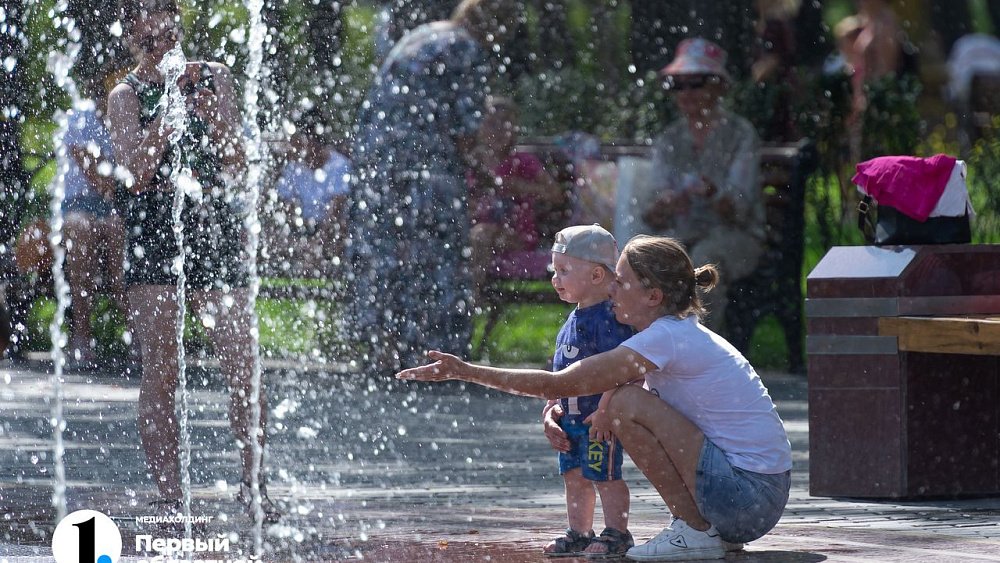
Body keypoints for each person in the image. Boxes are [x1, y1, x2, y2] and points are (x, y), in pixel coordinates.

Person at [398, 235, 793, 561]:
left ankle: (694, 530)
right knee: (622, 397)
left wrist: (466, 371)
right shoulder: (675, 333)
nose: (611, 289)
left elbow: (561, 383)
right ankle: (702, 530)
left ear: (652, 296)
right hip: (752, 499)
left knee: (623, 406)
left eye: (620, 282)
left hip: (746, 499)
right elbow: (566, 392)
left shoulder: (665, 338)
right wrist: (555, 408)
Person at [106, 0, 278, 522]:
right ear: (133, 27)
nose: (159, 24)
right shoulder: (125, 95)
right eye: (147, 15)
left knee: (243, 365)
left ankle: (254, 486)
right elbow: (135, 171)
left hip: (213, 227)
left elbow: (235, 157)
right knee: (161, 368)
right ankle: (169, 494)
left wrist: (212, 118)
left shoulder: (214, 76)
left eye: (166, 12)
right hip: (153, 232)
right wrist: (170, 114)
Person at [347, 0, 517, 373]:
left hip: (378, 161)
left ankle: (384, 349)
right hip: (425, 165)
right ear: (495, 26)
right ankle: (437, 357)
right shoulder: (465, 48)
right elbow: (465, 127)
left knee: (387, 252)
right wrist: (481, 170)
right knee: (437, 252)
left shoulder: (424, 35)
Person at [635, 38, 763, 334]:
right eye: (679, 85)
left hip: (735, 236)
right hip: (681, 233)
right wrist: (665, 205)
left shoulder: (740, 134)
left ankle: (701, 355)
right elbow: (650, 214)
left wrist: (714, 195)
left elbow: (738, 211)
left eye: (697, 83)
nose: (687, 92)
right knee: (645, 261)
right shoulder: (670, 139)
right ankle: (650, 352)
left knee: (703, 263)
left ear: (719, 86)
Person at [539, 224, 634, 558]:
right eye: (555, 270)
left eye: (564, 270)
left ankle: (617, 534)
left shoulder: (608, 319)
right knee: (575, 476)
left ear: (596, 275)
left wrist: (606, 410)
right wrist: (551, 410)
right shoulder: (573, 317)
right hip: (572, 419)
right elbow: (559, 374)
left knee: (605, 476)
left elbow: (619, 372)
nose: (555, 278)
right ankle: (579, 532)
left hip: (598, 420)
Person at [60, 75, 127, 367]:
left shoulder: (127, 114)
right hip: (75, 207)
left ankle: (137, 334)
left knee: (117, 228)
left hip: (109, 208)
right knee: (81, 228)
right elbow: (97, 177)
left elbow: (117, 182)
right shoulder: (80, 117)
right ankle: (82, 335)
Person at [468, 96, 565, 295]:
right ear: (479, 127)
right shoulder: (472, 163)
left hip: (515, 234)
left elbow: (556, 195)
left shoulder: (522, 162)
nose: (500, 131)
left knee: (481, 236)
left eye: (507, 125)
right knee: (476, 236)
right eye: (493, 124)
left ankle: (472, 298)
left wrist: (522, 187)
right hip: (474, 230)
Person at [269, 107, 351, 276]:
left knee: (341, 228)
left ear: (311, 141)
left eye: (297, 139)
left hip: (330, 229)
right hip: (302, 229)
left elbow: (336, 210)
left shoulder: (340, 166)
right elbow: (286, 208)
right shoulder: (294, 168)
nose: (293, 144)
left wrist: (317, 241)